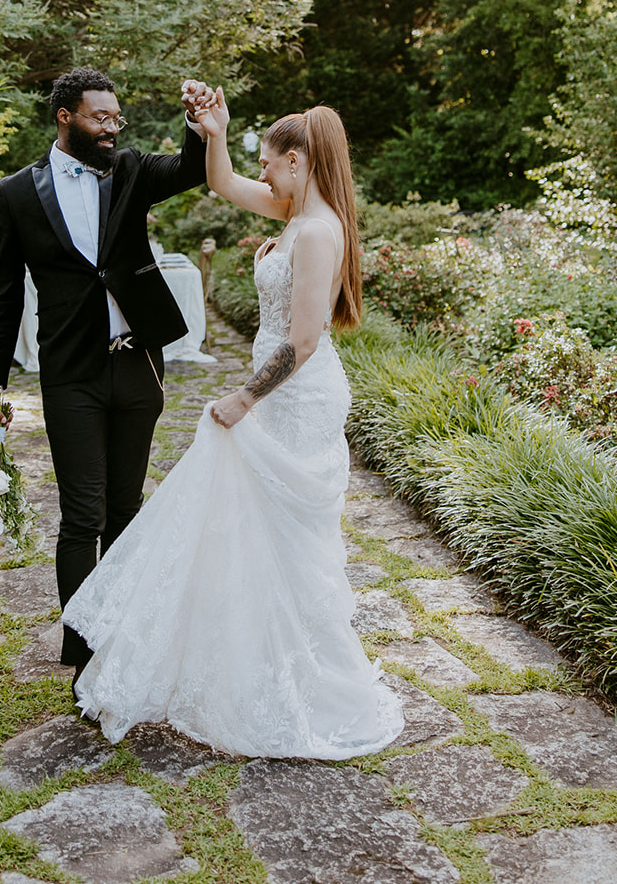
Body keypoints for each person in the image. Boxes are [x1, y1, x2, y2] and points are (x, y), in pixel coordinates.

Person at [63, 88, 404, 758]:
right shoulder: (291, 209)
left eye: (270, 162)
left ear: (299, 161)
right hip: (279, 394)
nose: (264, 173)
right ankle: (253, 668)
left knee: (283, 539)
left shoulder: (317, 230)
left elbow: (303, 341)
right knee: (252, 533)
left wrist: (243, 398)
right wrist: (212, 131)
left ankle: (298, 683)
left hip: (296, 399)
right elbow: (220, 183)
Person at [0, 67, 211, 674]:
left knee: (127, 510)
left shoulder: (129, 169)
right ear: (66, 117)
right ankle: (86, 659)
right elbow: (2, 296)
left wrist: (199, 124)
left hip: (138, 366)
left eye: (116, 118)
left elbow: (189, 168)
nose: (111, 128)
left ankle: (126, 646)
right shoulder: (16, 195)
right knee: (84, 516)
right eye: (98, 118)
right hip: (71, 373)